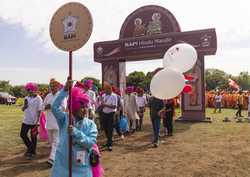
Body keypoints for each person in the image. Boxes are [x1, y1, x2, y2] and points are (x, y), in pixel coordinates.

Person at [51, 79, 97, 177]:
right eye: (82, 106)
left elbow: (90, 143)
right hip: (63, 167)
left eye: (86, 106)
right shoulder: (64, 119)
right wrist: (65, 90)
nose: (85, 110)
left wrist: (76, 133)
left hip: (81, 168)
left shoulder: (90, 125)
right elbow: (54, 107)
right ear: (74, 106)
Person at [43, 79, 66, 166]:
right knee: (51, 141)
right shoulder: (48, 96)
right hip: (49, 122)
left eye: (54, 86)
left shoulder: (61, 96)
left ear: (58, 87)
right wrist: (46, 107)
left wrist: (52, 107)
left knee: (56, 141)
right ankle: (59, 155)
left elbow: (64, 108)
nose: (52, 88)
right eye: (51, 86)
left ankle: (52, 158)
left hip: (57, 121)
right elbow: (42, 107)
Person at [20, 82, 43, 160]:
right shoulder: (26, 98)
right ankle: (31, 148)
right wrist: (24, 106)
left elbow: (40, 111)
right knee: (22, 135)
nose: (29, 91)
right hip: (26, 120)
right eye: (28, 90)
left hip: (34, 121)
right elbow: (23, 109)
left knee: (33, 137)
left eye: (30, 89)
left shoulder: (38, 98)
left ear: (34, 90)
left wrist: (38, 121)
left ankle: (32, 152)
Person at [100, 83, 117, 151]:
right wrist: (101, 104)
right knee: (105, 128)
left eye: (106, 89)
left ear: (110, 89)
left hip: (111, 114)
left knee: (110, 129)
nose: (105, 90)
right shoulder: (104, 95)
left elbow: (114, 106)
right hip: (104, 113)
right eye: (104, 89)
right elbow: (102, 104)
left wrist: (105, 105)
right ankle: (108, 141)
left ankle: (110, 144)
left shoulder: (114, 96)